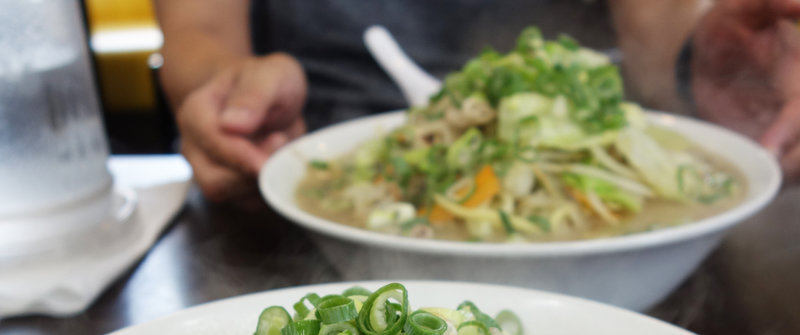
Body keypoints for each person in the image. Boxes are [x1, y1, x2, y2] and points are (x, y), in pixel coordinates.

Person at [153, 0, 800, 204]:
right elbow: (198, 28)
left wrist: (710, 51)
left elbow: (656, 17)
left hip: (590, 171)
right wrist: (229, 90)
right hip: (308, 155)